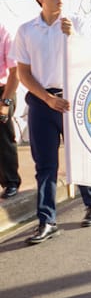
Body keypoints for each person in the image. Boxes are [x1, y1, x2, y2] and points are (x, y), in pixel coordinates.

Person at [10, 0, 91, 244]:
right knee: (45, 165)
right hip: (42, 102)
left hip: (74, 100)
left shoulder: (77, 24)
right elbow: (23, 73)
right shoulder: (26, 31)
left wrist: (73, 38)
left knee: (81, 156)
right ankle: (47, 221)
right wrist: (47, 99)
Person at [0, 23, 21, 199]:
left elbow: (15, 72)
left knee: (3, 136)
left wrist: (5, 103)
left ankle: (11, 182)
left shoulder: (4, 33)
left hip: (3, 91)